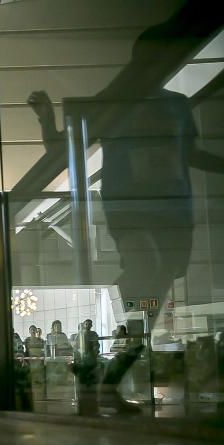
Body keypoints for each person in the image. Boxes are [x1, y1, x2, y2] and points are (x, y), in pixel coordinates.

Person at [27, 4, 224, 411]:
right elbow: (65, 147)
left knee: (151, 298)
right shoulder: (115, 103)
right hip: (131, 209)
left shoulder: (177, 105)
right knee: (146, 268)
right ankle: (122, 336)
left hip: (174, 212)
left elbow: (189, 154)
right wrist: (46, 118)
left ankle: (113, 370)